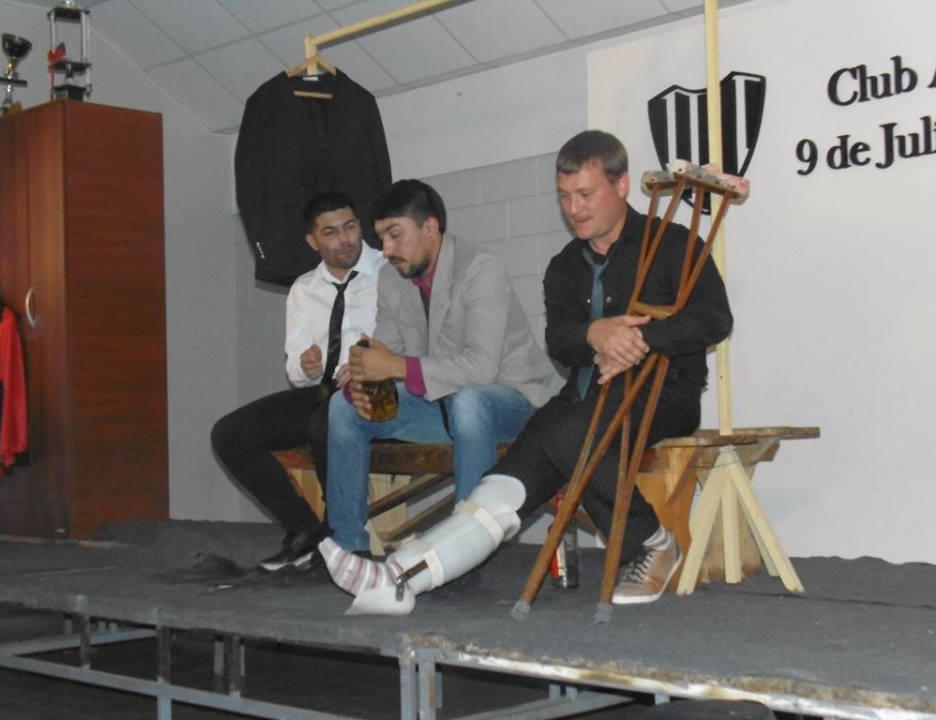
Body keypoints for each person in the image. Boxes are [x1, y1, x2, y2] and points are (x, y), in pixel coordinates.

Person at [319, 131, 735, 614]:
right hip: (582, 398)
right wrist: (595, 334)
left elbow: (714, 320)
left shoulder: (673, 244)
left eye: (585, 194)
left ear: (621, 185)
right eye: (565, 196)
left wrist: (640, 339)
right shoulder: (564, 266)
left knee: (567, 435)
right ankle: (401, 575)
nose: (574, 209)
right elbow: (561, 341)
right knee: (505, 485)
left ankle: (651, 541)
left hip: (663, 394)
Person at [323, 179, 562, 554]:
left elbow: (481, 368)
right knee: (343, 406)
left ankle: (463, 551)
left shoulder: (480, 269)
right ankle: (350, 548)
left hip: (515, 403)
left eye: (395, 235)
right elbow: (389, 351)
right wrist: (363, 374)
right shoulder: (390, 277)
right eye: (381, 238)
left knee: (470, 401)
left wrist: (393, 365)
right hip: (442, 404)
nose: (387, 250)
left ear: (430, 228)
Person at [211, 192, 385, 571]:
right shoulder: (304, 289)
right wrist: (306, 366)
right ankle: (304, 529)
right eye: (331, 233)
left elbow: (410, 343)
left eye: (350, 227)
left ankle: (341, 540)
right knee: (229, 435)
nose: (345, 239)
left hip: (377, 390)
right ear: (312, 241)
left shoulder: (389, 274)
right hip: (324, 390)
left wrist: (370, 362)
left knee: (327, 421)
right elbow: (295, 371)